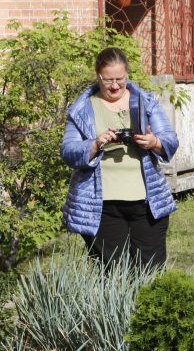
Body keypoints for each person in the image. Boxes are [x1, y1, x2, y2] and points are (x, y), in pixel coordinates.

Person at [61, 47, 179, 267]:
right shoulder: (83, 109)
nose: (115, 86)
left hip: (146, 201)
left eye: (120, 79)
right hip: (102, 204)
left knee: (150, 268)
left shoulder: (145, 102)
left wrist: (154, 142)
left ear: (127, 75)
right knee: (112, 271)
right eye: (108, 80)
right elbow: (68, 151)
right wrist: (96, 143)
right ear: (98, 76)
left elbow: (170, 140)